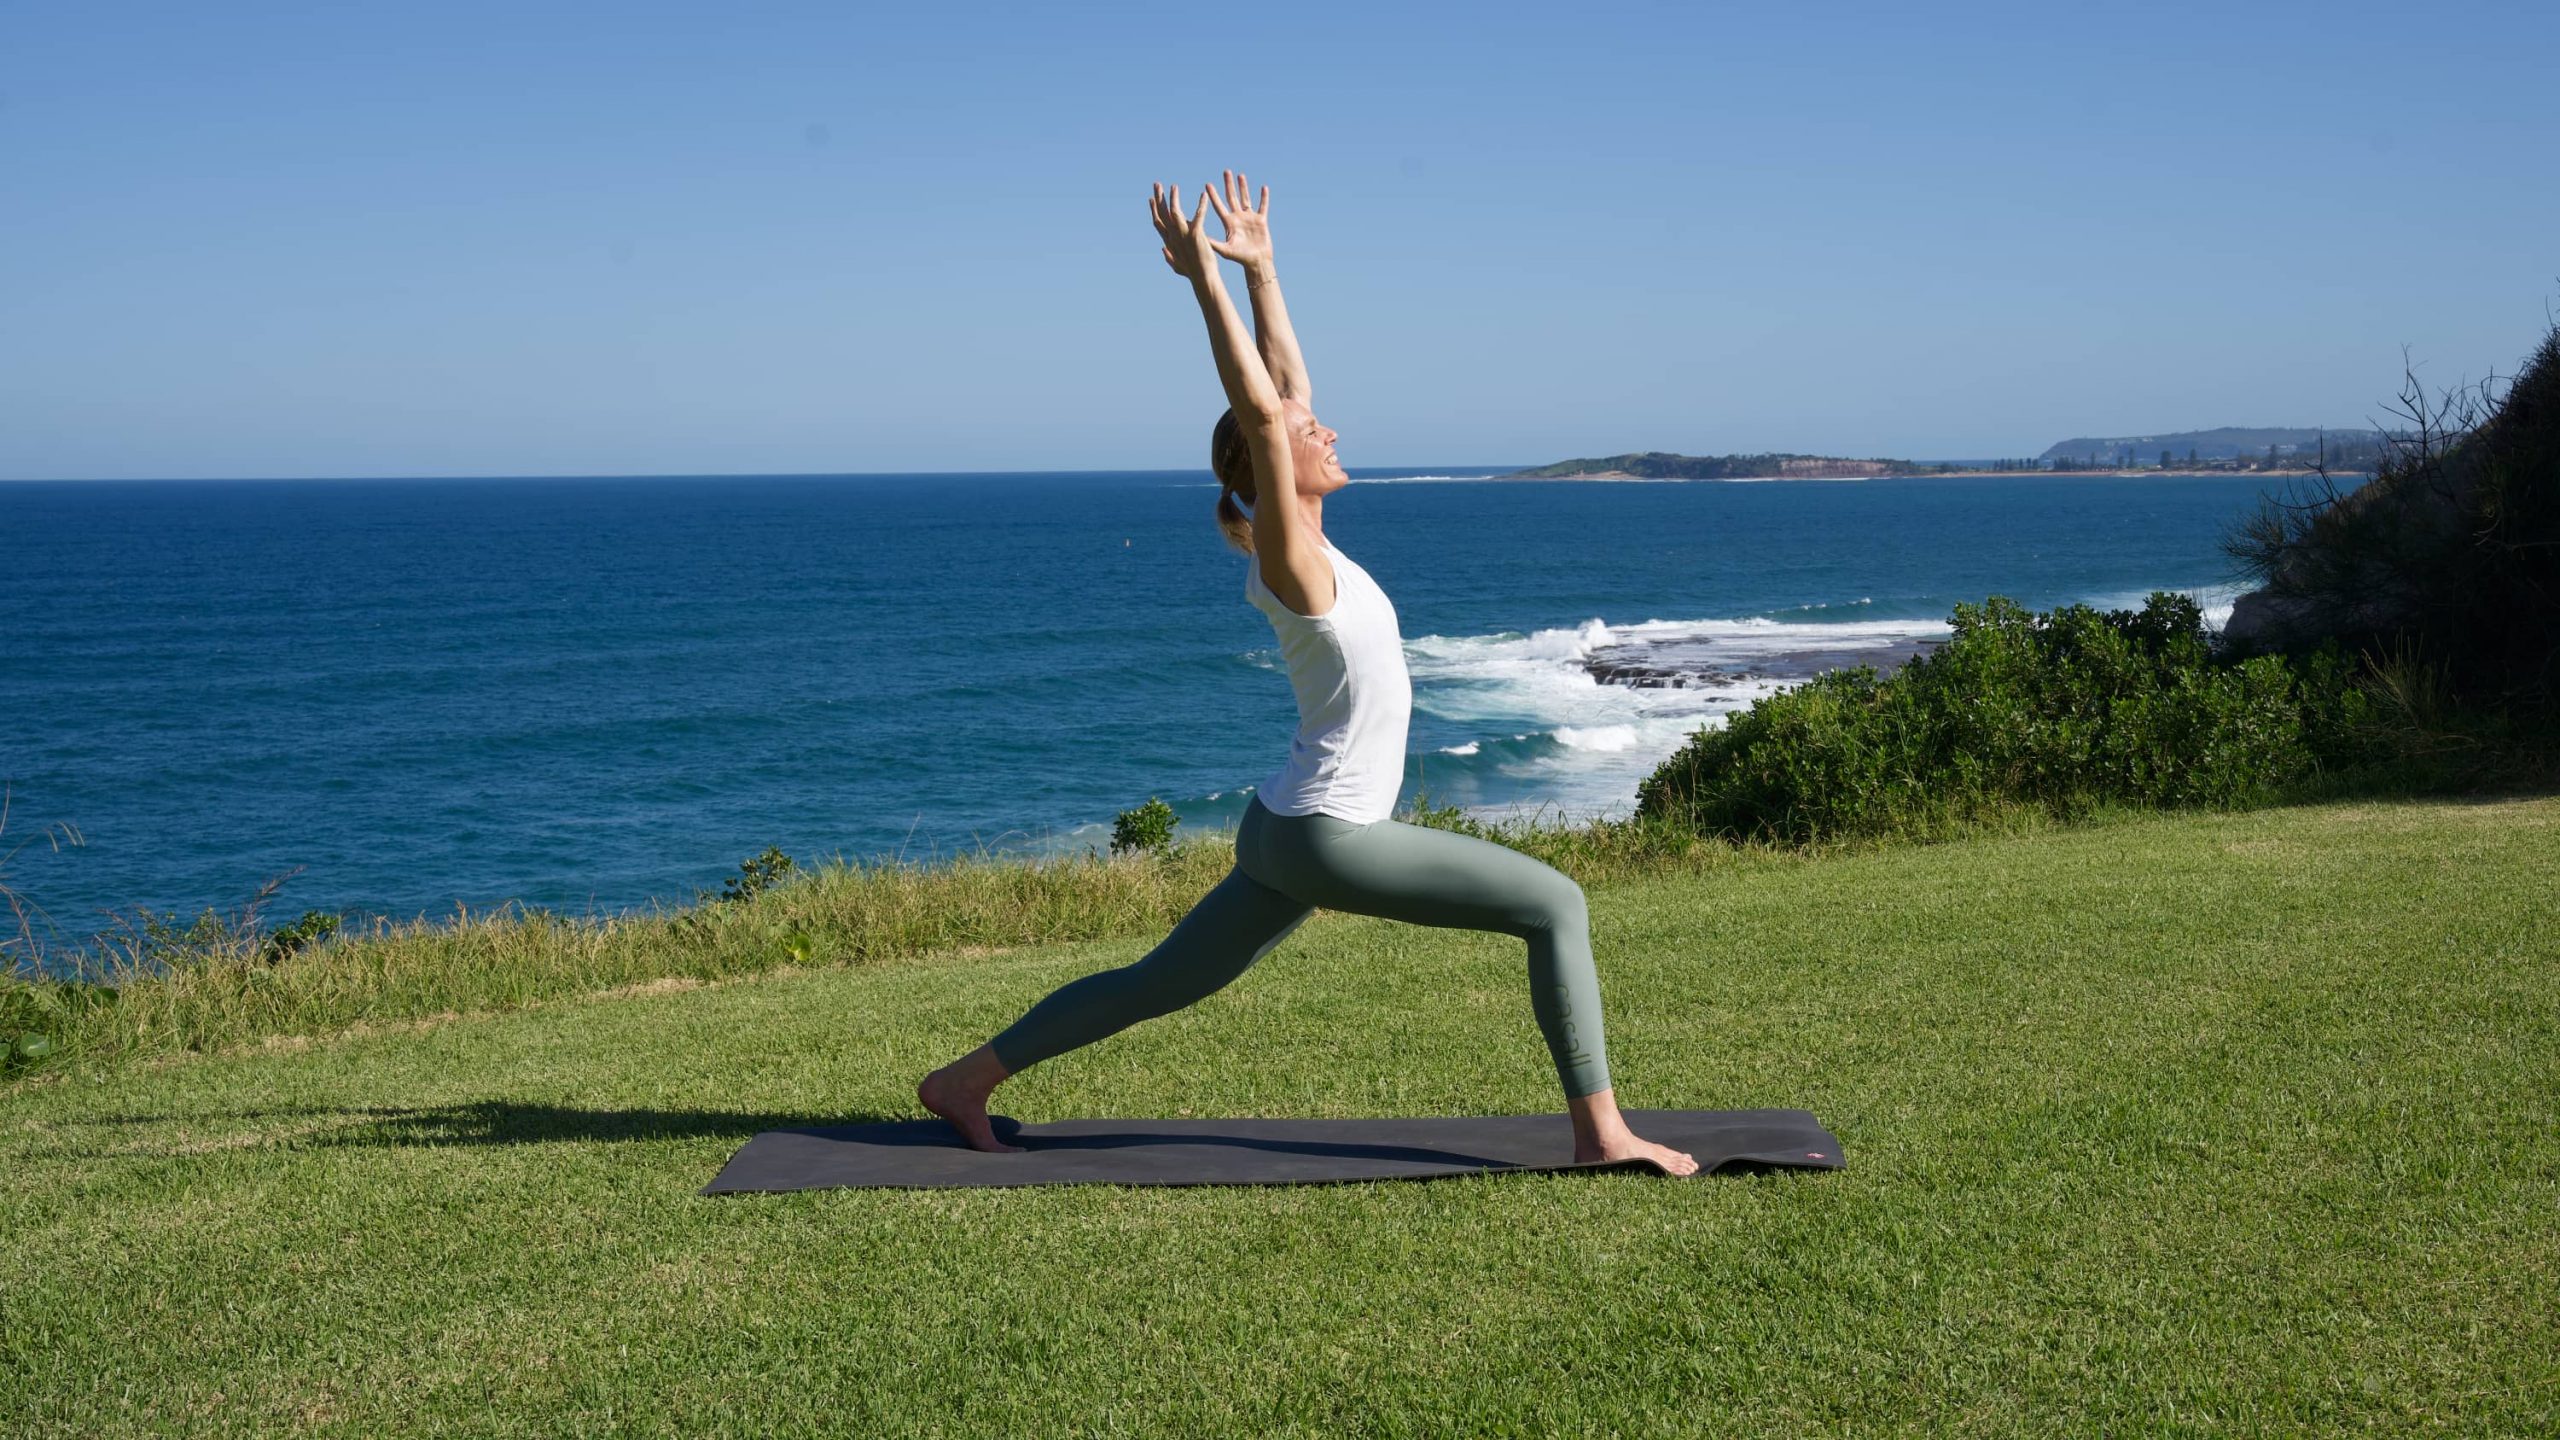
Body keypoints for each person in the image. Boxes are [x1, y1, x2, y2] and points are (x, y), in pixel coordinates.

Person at [917, 171, 1699, 1175]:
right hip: (1329, 833)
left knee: (1160, 981)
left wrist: (1263, 269)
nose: (1326, 431)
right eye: (1306, 437)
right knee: (1555, 905)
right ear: (1268, 469)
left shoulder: (1312, 544)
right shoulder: (1290, 562)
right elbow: (1257, 404)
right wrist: (1202, 280)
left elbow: (1282, 390)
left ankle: (965, 1081)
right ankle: (1603, 1136)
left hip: (1284, 824)